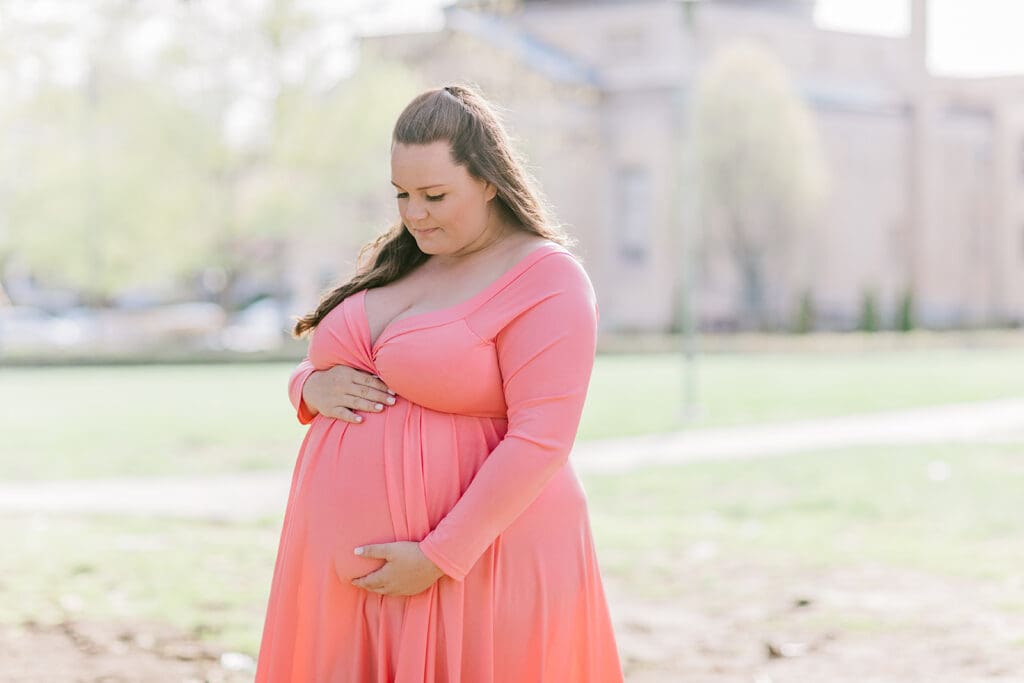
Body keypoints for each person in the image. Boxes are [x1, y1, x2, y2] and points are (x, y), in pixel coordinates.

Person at [254, 84, 624, 682]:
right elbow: (336, 359)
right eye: (401, 194)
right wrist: (306, 389)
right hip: (347, 581)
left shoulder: (546, 278)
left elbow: (543, 439)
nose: (414, 213)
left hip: (473, 566)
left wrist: (437, 556)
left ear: (488, 180)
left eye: (434, 195)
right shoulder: (399, 259)